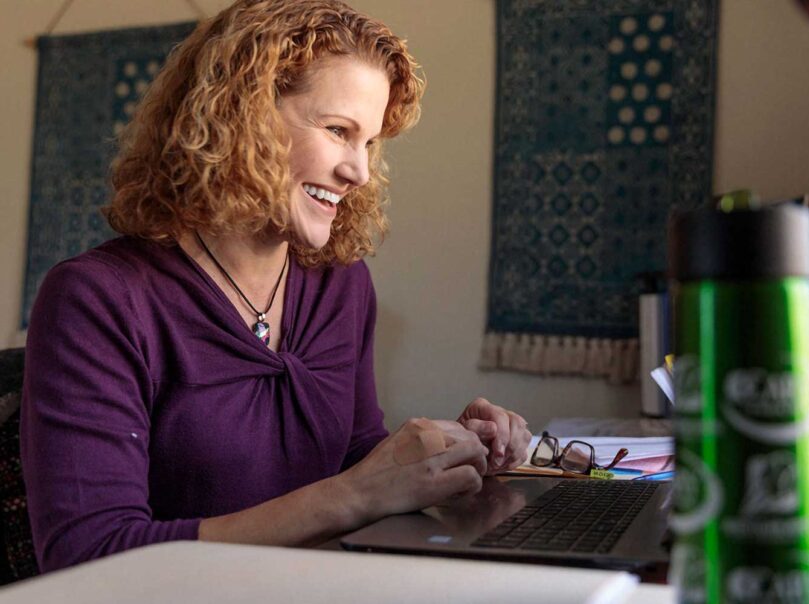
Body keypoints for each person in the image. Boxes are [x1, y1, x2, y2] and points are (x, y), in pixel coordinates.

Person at [20, 0, 531, 573]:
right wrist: (354, 495)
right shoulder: (98, 299)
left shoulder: (343, 286)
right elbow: (87, 558)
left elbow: (357, 459)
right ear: (243, 118)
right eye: (338, 131)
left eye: (368, 143)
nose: (359, 171)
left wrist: (443, 455)